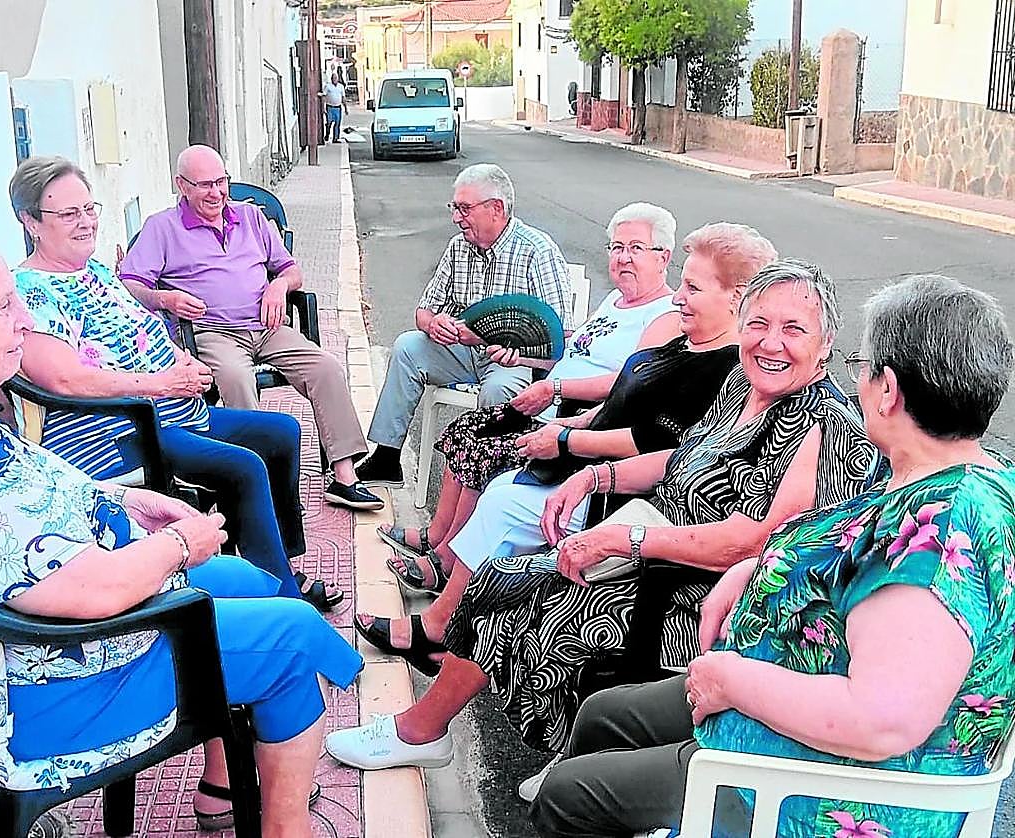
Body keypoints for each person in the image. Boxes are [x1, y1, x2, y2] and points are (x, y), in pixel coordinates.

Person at [0, 207, 364, 837]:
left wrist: (123, 504)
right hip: (41, 691)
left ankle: (221, 786)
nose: (24, 319)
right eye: (2, 307)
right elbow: (95, 592)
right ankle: (286, 825)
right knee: (291, 635)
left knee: (250, 580)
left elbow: (13, 503)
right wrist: (181, 542)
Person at [328, 259, 880, 783]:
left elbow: (762, 543)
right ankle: (453, 735)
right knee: (500, 576)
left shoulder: (825, 422)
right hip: (659, 549)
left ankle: (512, 747)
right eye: (758, 324)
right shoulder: (743, 384)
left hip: (713, 595)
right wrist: (594, 480)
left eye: (794, 329)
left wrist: (627, 539)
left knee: (545, 601)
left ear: (826, 344)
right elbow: (682, 456)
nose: (770, 343)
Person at [531, 275, 1015, 838]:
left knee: (568, 800)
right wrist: (753, 569)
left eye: (865, 364)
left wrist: (732, 680)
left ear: (887, 391)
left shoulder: (934, 534)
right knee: (602, 716)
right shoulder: (962, 473)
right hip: (787, 704)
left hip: (811, 786)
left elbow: (883, 722)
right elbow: (833, 534)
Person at [358, 222, 778, 668]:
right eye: (616, 247)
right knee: (494, 474)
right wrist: (568, 426)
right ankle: (452, 608)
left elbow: (655, 443)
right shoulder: (683, 344)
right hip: (589, 459)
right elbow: (620, 401)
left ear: (738, 298)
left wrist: (565, 438)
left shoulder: (722, 366)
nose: (678, 297)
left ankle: (444, 621)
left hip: (621, 496)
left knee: (504, 499)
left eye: (692, 288)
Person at [8, 156, 343, 612]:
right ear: (30, 221)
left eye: (89, 209)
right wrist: (163, 383)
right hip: (124, 431)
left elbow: (140, 328)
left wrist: (180, 358)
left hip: (176, 410)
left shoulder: (95, 272)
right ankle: (280, 596)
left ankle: (277, 561)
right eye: (69, 214)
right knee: (244, 466)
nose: (85, 222)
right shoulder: (30, 290)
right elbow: (63, 379)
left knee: (282, 432)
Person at [119, 145, 383, 511]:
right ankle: (262, 489)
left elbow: (291, 270)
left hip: (268, 326)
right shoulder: (162, 228)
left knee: (326, 368)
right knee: (237, 377)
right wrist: (167, 299)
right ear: (182, 185)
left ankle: (343, 477)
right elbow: (130, 282)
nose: (217, 192)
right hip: (210, 332)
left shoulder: (252, 218)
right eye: (205, 185)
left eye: (221, 181)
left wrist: (278, 285)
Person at [355, 163, 575, 487]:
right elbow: (423, 310)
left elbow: (561, 338)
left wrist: (514, 350)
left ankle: (490, 481)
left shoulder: (537, 251)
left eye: (464, 208)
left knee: (499, 388)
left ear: (496, 208)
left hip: (510, 360)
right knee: (407, 346)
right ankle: (387, 457)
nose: (457, 217)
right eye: (454, 208)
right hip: (460, 349)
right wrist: (433, 324)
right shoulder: (459, 246)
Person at [320, 72, 347, 143]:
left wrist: (346, 108)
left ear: (338, 79)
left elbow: (343, 98)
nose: (334, 79)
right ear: (331, 79)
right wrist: (323, 108)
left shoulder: (341, 86)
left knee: (337, 123)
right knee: (329, 122)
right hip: (330, 107)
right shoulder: (328, 86)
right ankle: (327, 134)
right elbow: (324, 96)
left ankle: (335, 138)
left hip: (338, 107)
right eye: (333, 78)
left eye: (336, 78)